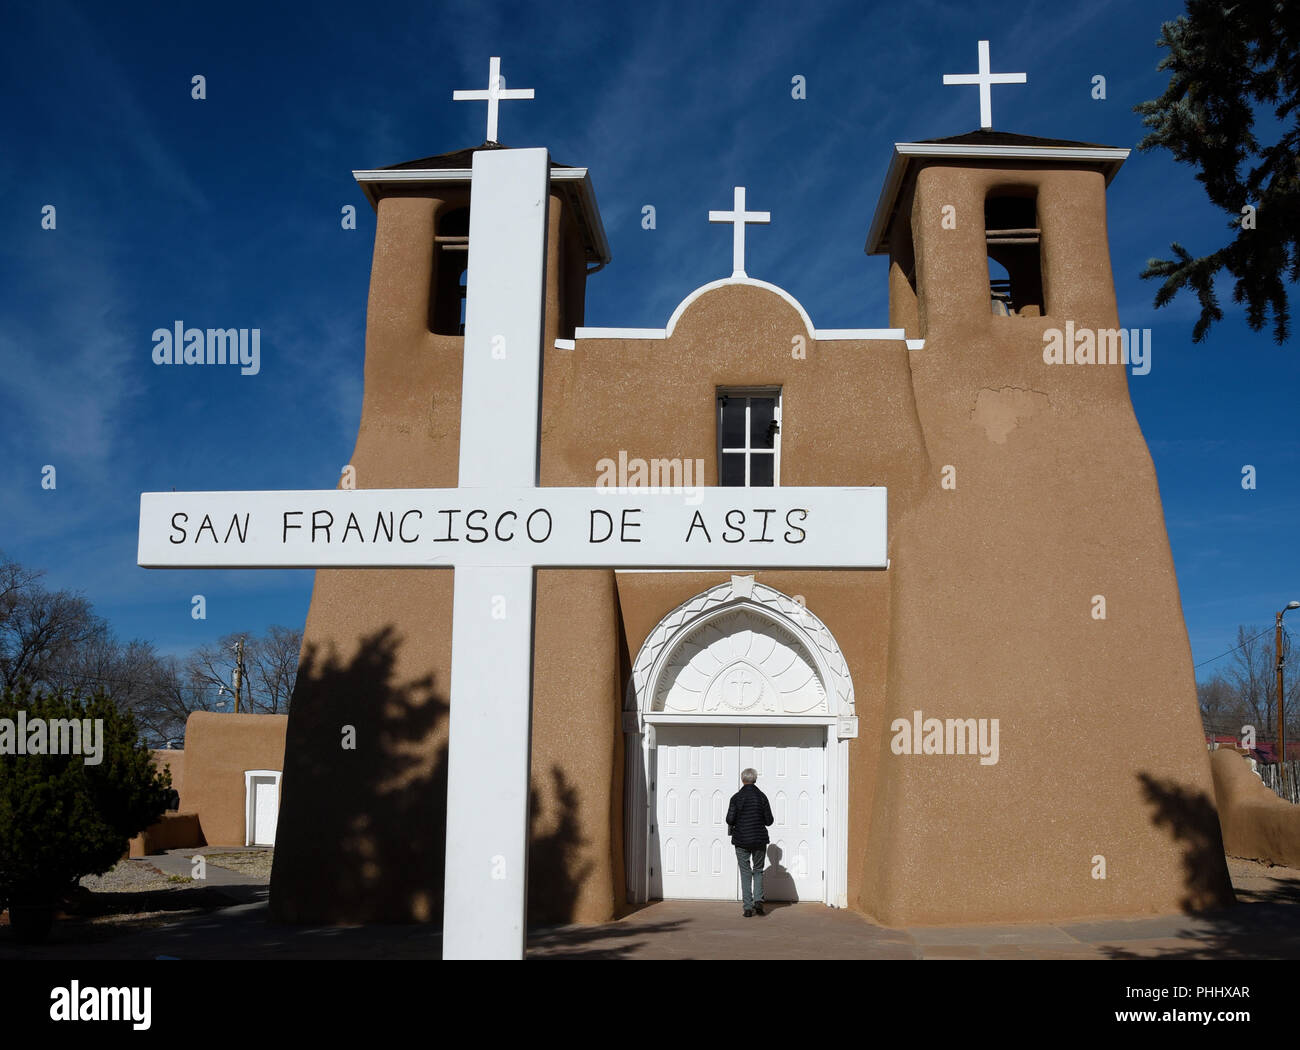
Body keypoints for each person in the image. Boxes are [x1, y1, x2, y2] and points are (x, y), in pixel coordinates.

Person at [726, 767, 774, 917]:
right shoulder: (762, 797)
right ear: (755, 779)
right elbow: (769, 821)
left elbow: (729, 819)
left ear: (742, 780)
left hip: (741, 839)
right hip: (759, 839)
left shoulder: (736, 797)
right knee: (758, 870)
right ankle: (758, 901)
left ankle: (748, 907)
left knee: (745, 872)